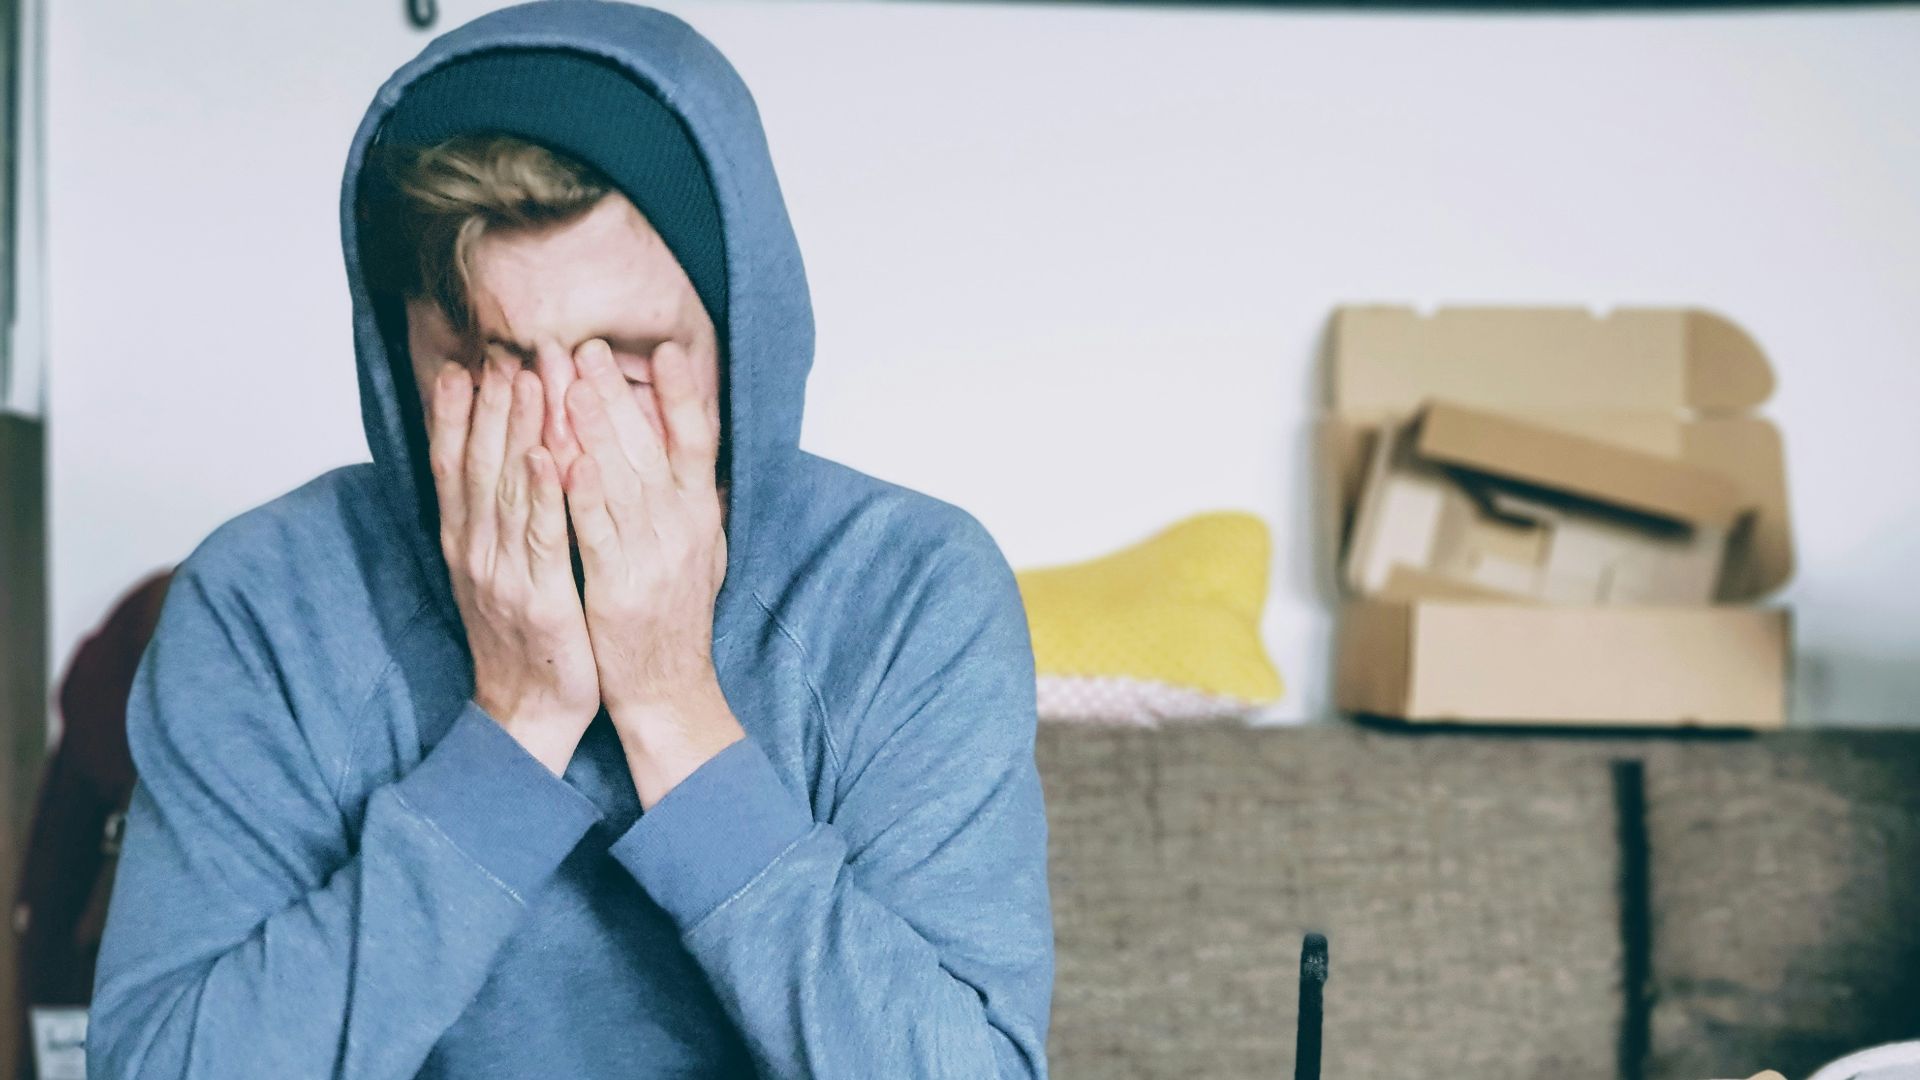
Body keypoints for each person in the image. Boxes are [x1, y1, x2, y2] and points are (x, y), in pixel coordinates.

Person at [84, 3, 1054, 1077]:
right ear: (404, 357)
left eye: (628, 362)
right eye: (494, 361)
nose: (558, 435)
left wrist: (673, 710)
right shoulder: (264, 600)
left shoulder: (912, 592)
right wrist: (515, 724)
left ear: (742, 339)